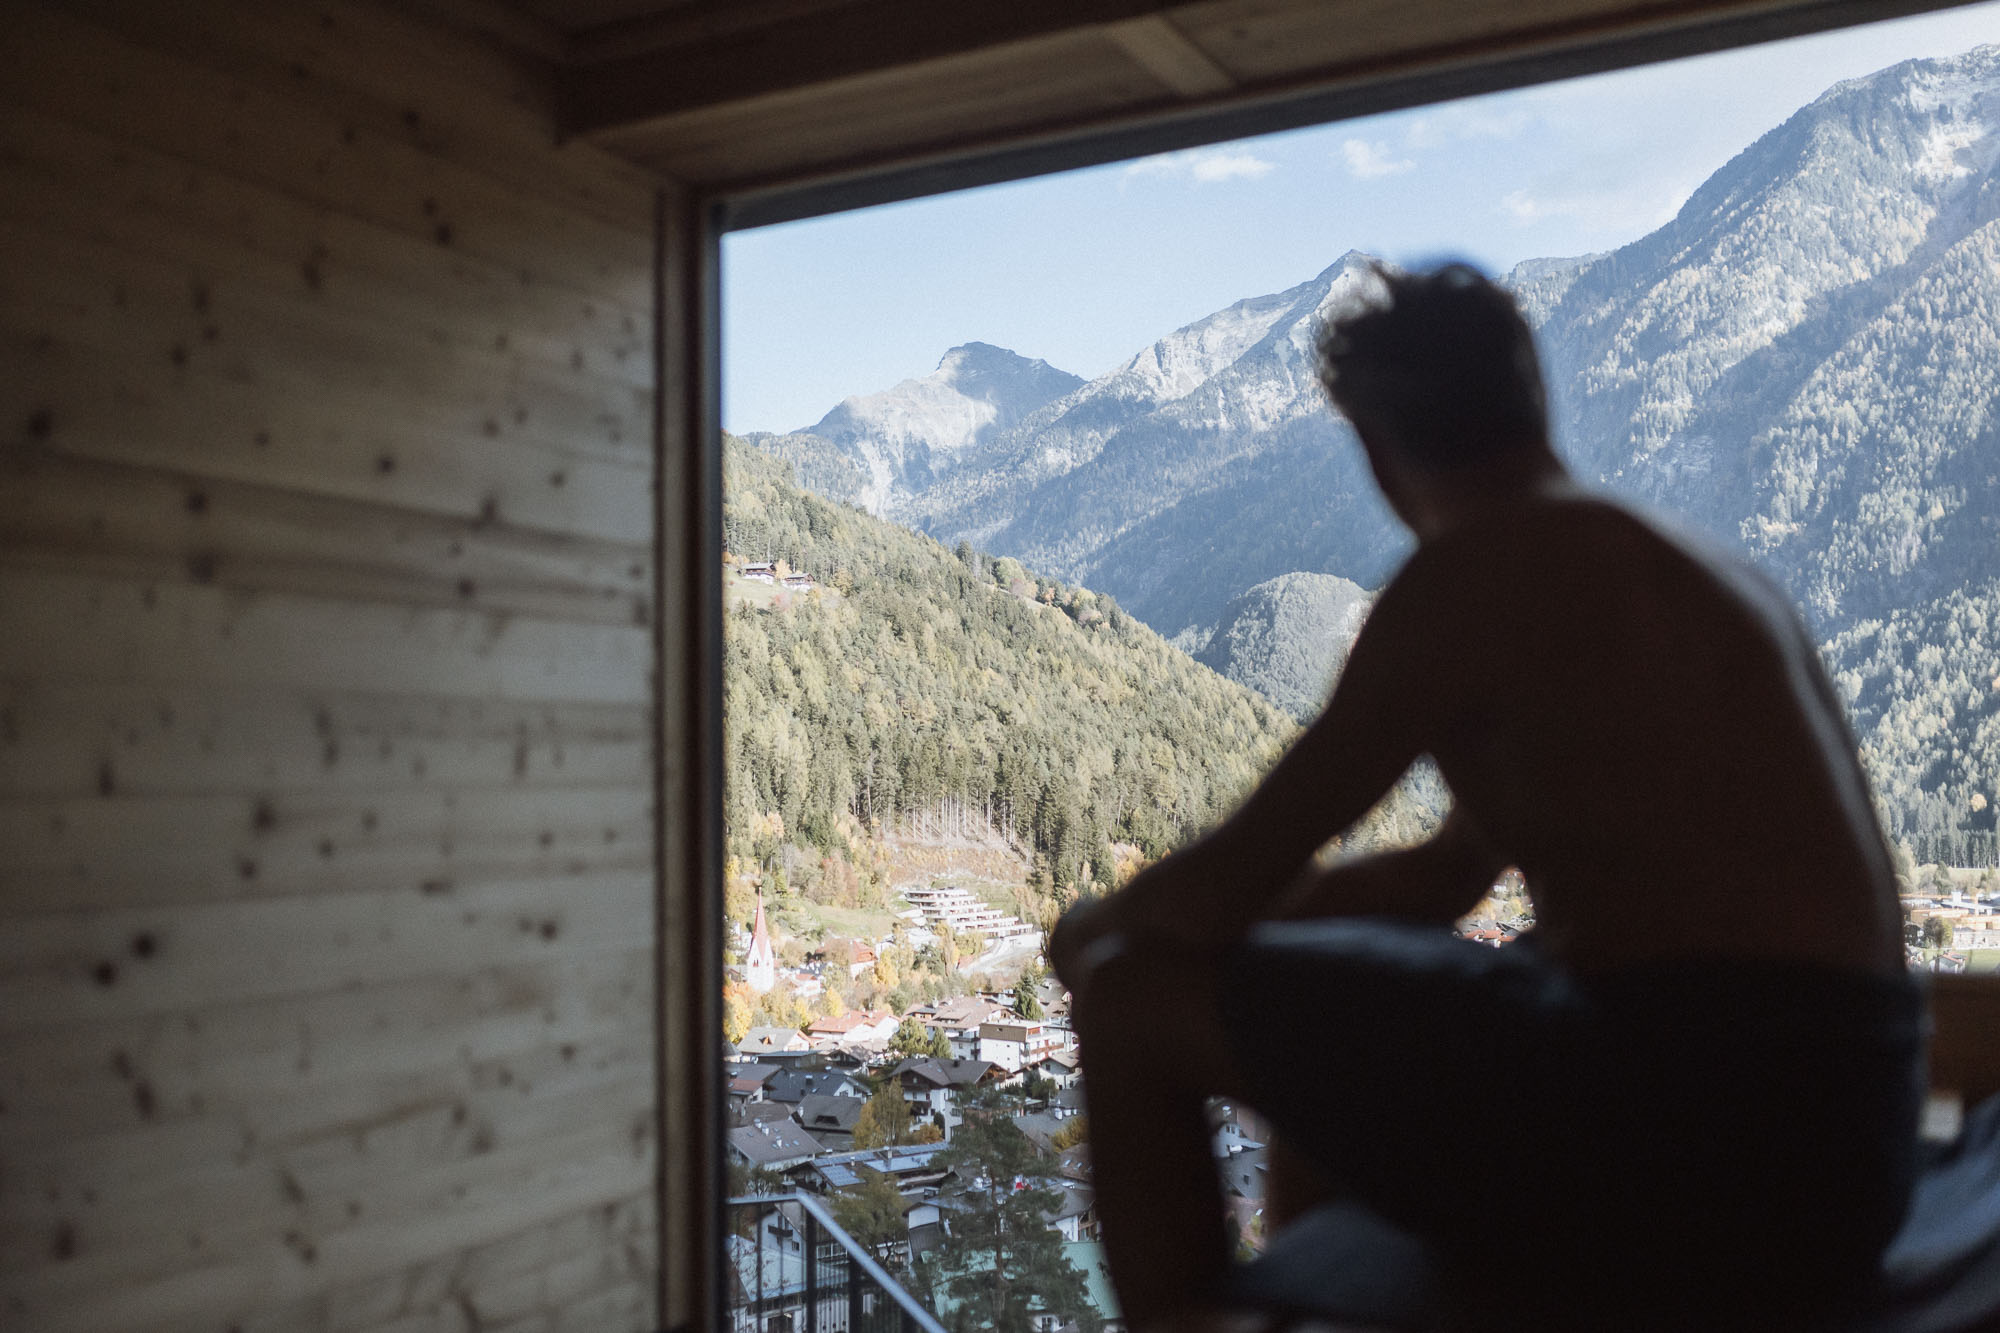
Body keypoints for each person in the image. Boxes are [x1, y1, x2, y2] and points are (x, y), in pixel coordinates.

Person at [1050, 263, 1921, 1332]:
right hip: (1846, 1150)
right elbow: (1439, 876)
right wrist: (1282, 931)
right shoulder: (1691, 570)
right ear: (1530, 394)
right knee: (1330, 981)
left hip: (1697, 1129)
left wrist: (1100, 928)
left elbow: (1233, 875)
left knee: (1130, 994)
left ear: (1372, 446)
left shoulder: (1471, 577)